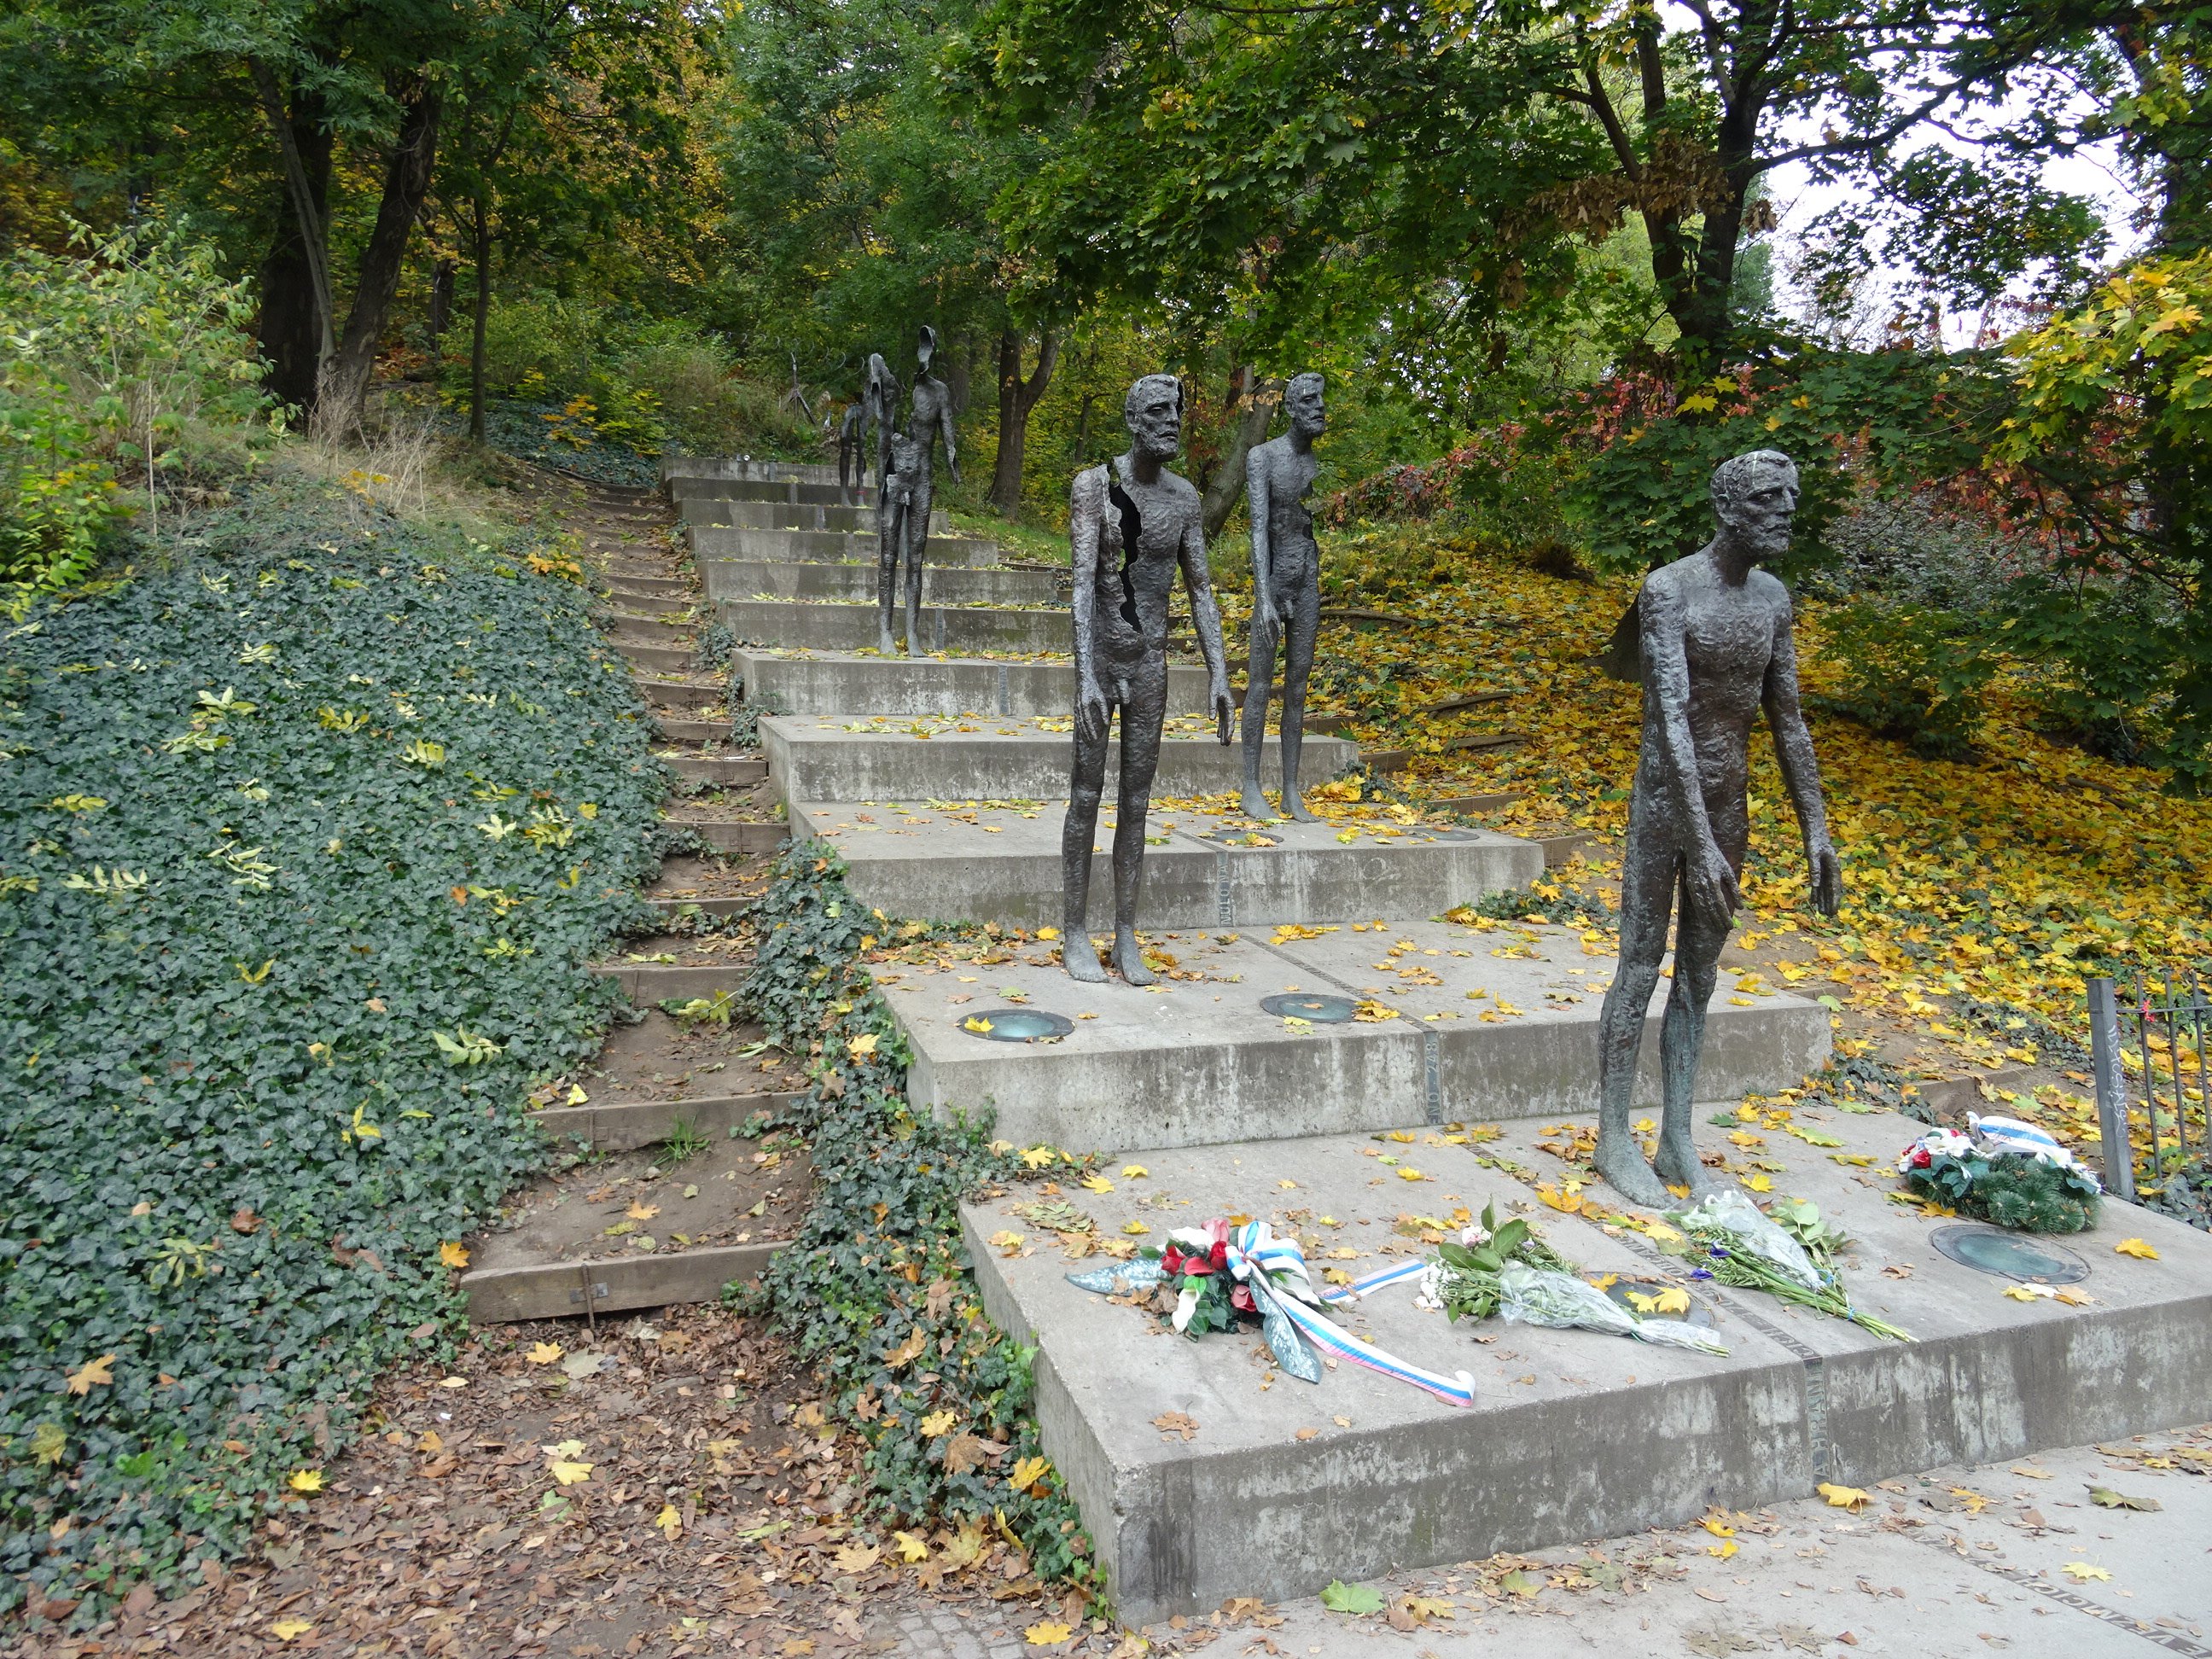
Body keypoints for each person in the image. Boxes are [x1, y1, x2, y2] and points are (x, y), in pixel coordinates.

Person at [1592, 449, 1842, 1207]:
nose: (1787, 510)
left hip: (1729, 806)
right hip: (1667, 809)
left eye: (1792, 495)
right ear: (1730, 508)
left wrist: (1817, 829)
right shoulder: (1669, 590)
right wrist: (1696, 843)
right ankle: (1611, 1135)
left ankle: (1677, 1136)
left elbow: (1788, 718)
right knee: (1639, 967)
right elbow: (1667, 716)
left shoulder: (1772, 599)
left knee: (1699, 977)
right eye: (1770, 498)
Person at [1060, 375, 1235, 983]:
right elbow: (1083, 585)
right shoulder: (1095, 487)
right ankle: (1075, 931)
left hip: (1151, 665)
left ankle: (1126, 933)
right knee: (1086, 794)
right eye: (1158, 411)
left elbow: (1201, 588)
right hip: (1103, 661)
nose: (1172, 421)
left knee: (1136, 801)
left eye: (1177, 411)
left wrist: (1219, 672)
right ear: (1134, 420)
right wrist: (1085, 676)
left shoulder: (1184, 498)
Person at [1239, 371, 1326, 822]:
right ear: (1290, 408)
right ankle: (1250, 785)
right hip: (1274, 583)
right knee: (1259, 685)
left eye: (1321, 400)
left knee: (1297, 687)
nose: (1319, 408)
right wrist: (1263, 595)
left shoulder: (1319, 467)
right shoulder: (1263, 457)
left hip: (1307, 582)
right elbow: (1257, 528)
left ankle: (1291, 789)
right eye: (1309, 401)